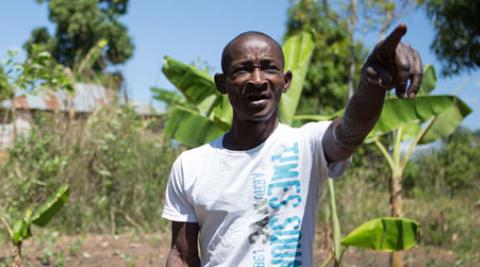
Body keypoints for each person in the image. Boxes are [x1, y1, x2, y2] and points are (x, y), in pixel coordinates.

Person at [162, 24, 422, 266]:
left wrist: (373, 81)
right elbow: (182, 256)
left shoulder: (306, 145)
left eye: (268, 68)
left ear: (285, 82)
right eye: (242, 70)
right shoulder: (191, 165)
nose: (257, 79)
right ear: (222, 84)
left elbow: (349, 132)